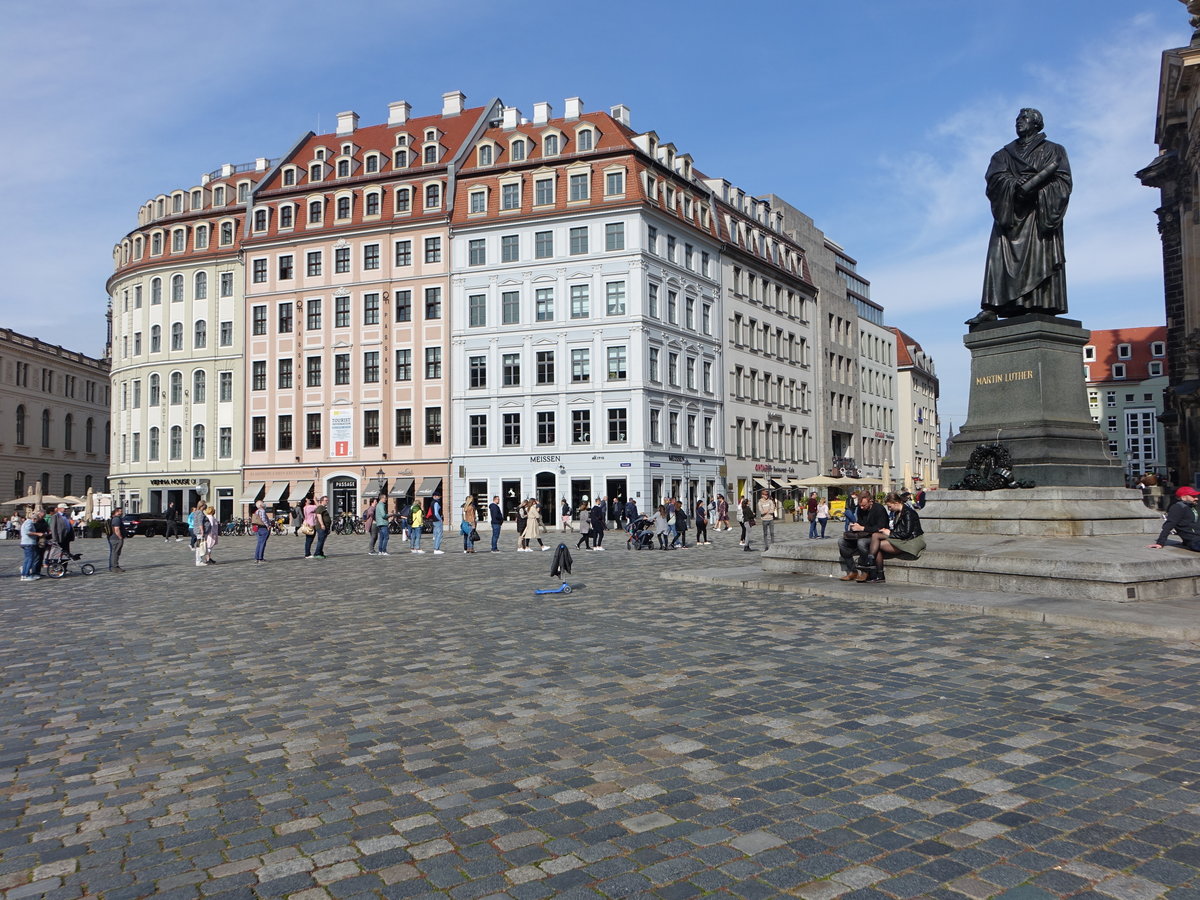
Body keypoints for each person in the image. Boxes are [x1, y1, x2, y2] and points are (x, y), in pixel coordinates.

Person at [967, 108, 1072, 326]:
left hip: (1037, 215)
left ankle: (1038, 302)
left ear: (1037, 124)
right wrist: (1015, 186)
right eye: (1017, 118)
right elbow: (994, 180)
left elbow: (1063, 183)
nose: (1018, 122)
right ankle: (992, 306)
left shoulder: (1054, 150)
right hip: (1010, 213)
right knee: (998, 257)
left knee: (1038, 255)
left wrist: (1036, 189)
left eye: (1024, 118)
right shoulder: (1003, 154)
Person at [860, 492, 926, 584]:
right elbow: (899, 531)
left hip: (911, 541)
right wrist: (888, 531)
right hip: (901, 538)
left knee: (876, 544)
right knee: (875, 536)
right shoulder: (897, 513)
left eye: (889, 506)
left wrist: (889, 533)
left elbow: (906, 533)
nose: (889, 509)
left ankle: (876, 570)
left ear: (896, 503)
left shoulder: (909, 513)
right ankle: (871, 562)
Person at [838, 493, 889, 582]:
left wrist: (862, 528)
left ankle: (865, 571)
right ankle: (852, 571)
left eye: (864, 505)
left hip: (875, 537)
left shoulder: (879, 509)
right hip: (863, 534)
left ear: (871, 502)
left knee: (862, 542)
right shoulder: (860, 509)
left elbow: (881, 528)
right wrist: (856, 526)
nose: (861, 508)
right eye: (860, 505)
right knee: (841, 542)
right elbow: (861, 523)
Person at [1148, 486, 1200, 551]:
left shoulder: (1191, 507)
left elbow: (1191, 524)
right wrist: (1160, 543)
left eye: (1196, 496)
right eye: (1193, 496)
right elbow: (1169, 525)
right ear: (1183, 497)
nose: (1196, 498)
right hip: (1195, 541)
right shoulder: (1178, 507)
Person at [19, 509, 45, 581]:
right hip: (28, 543)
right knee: (29, 559)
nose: (36, 521)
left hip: (27, 543)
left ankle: (25, 574)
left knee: (28, 559)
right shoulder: (29, 522)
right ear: (34, 518)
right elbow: (27, 532)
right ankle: (25, 575)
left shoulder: (27, 522)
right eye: (36, 519)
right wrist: (38, 534)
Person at [109, 505, 128, 573]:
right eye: (120, 511)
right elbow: (116, 529)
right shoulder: (116, 519)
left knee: (115, 552)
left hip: (114, 538)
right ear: (117, 512)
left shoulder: (115, 518)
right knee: (115, 553)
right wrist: (120, 537)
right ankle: (114, 567)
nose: (122, 512)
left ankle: (114, 566)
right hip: (116, 539)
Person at [253, 499, 271, 563]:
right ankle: (260, 558)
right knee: (262, 543)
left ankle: (256, 557)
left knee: (259, 543)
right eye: (263, 503)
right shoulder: (262, 511)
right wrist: (267, 526)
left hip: (258, 528)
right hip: (263, 528)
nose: (264, 504)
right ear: (260, 505)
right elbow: (263, 519)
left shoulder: (257, 511)